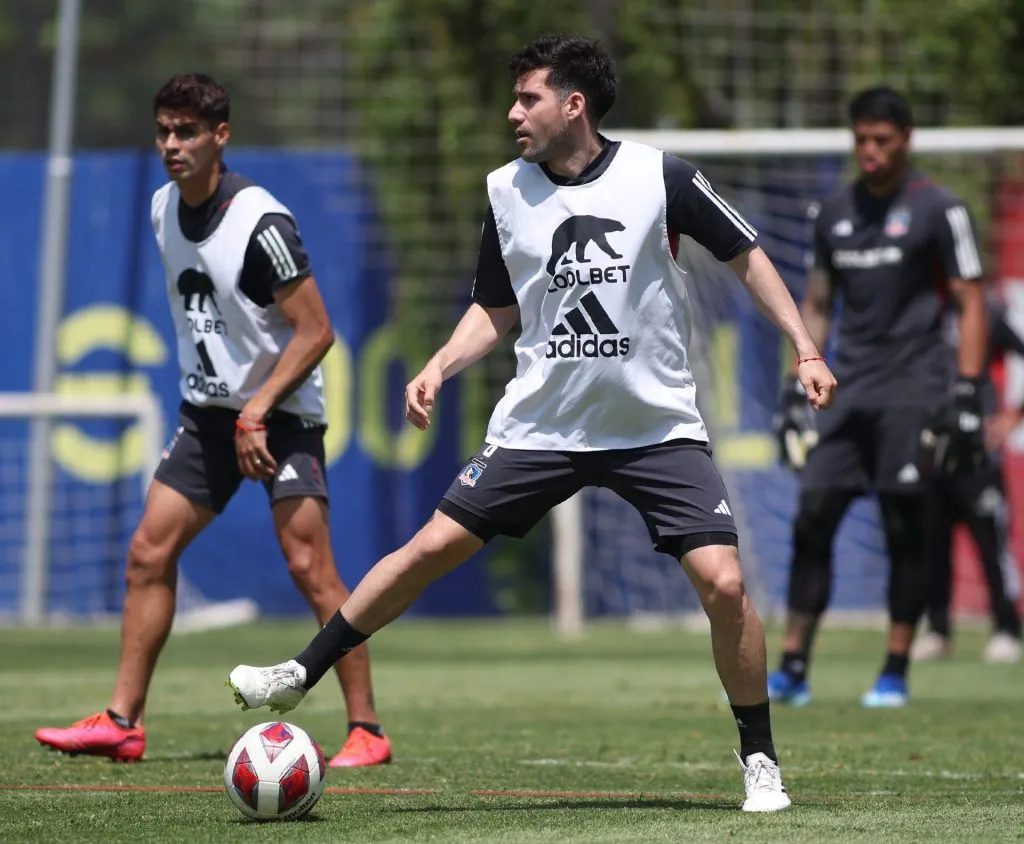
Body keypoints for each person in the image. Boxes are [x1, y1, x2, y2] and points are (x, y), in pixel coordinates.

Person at [228, 34, 836, 812]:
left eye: (528, 98)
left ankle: (760, 760)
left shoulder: (662, 176)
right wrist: (440, 365)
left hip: (654, 427)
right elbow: (496, 306)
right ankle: (299, 673)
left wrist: (806, 348)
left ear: (573, 105)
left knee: (724, 584)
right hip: (542, 427)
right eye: (514, 98)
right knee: (428, 550)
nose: (513, 112)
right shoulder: (505, 191)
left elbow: (748, 254)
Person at [35, 73, 392, 767]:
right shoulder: (163, 206)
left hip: (280, 419)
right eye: (164, 130)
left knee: (309, 566)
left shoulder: (263, 223)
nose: (173, 144)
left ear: (219, 136)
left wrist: (257, 408)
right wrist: (232, 408)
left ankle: (367, 731)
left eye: (187, 132)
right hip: (207, 417)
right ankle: (122, 721)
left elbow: (316, 332)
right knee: (148, 552)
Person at [769, 85, 988, 709]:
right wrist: (796, 379)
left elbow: (972, 302)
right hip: (846, 392)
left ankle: (894, 668)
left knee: (904, 526)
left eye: (882, 141)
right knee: (813, 519)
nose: (869, 151)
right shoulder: (831, 212)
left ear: (906, 140)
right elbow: (816, 302)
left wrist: (968, 390)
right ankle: (793, 665)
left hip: (915, 391)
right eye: (861, 139)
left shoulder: (941, 209)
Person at [912, 300, 1023, 663]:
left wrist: (1013, 416)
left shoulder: (987, 312)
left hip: (977, 454)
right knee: (931, 547)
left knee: (991, 546)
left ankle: (1007, 628)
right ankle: (938, 630)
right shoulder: (918, 310)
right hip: (930, 451)